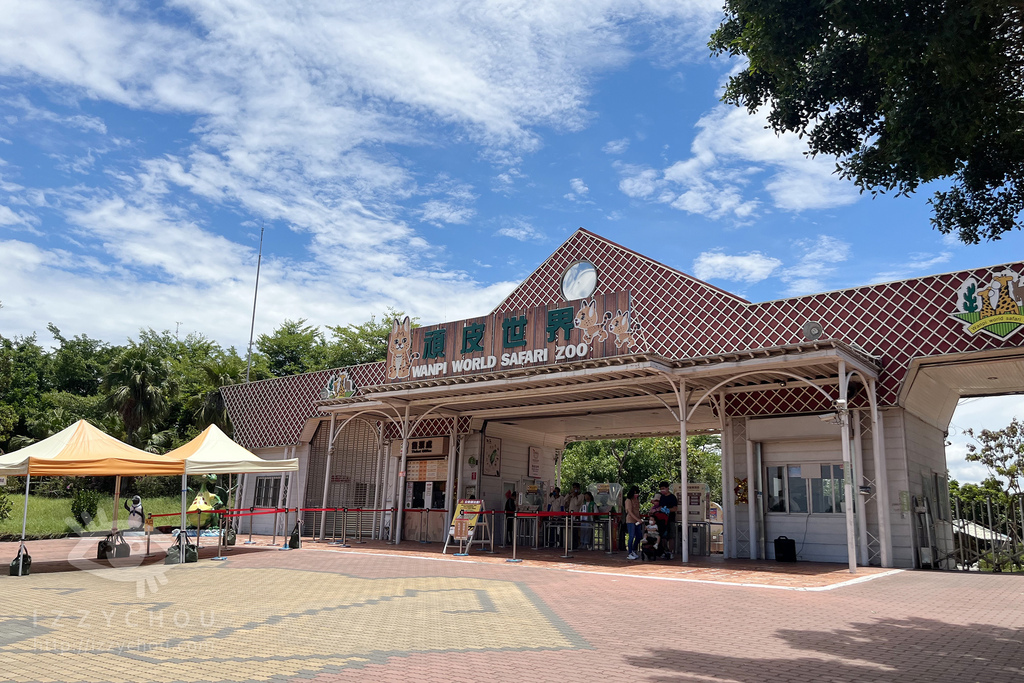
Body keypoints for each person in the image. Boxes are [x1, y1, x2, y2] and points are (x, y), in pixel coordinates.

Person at [658, 481, 679, 559]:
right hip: (662, 520)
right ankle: (664, 551)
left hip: (670, 519)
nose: (662, 490)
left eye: (663, 488)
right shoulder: (662, 497)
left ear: (667, 488)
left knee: (671, 536)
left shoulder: (672, 497)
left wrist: (667, 510)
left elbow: (675, 508)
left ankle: (671, 552)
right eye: (661, 489)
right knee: (663, 537)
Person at [624, 486, 642, 560]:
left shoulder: (637, 500)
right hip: (631, 520)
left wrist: (639, 519)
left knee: (639, 536)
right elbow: (630, 512)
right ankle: (630, 552)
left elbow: (637, 510)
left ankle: (634, 550)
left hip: (637, 521)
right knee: (631, 536)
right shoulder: (628, 500)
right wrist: (637, 519)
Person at [563, 483, 584, 549]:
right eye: (573, 488)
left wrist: (575, 496)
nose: (575, 489)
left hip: (576, 515)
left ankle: (576, 544)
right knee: (570, 530)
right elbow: (564, 500)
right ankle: (570, 544)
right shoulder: (571, 495)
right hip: (570, 514)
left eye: (576, 488)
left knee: (576, 530)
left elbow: (577, 503)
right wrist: (569, 494)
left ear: (578, 488)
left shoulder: (581, 496)